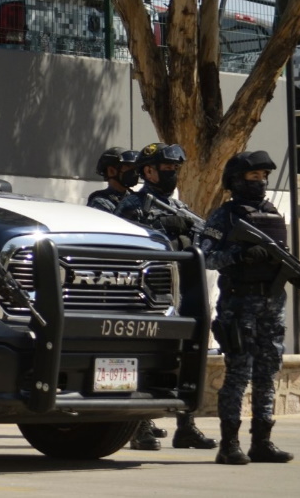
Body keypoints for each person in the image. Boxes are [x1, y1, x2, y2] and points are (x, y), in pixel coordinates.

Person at [115, 142, 218, 451]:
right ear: (148, 171)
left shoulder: (181, 208)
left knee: (185, 360)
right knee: (144, 359)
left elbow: (207, 250)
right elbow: (125, 245)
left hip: (182, 294)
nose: (173, 174)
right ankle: (140, 426)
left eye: (176, 169)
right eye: (167, 169)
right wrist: (157, 227)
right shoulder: (132, 205)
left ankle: (186, 426)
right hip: (149, 296)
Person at [200, 150, 294, 465]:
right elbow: (206, 255)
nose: (261, 182)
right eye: (254, 176)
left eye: (264, 177)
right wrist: (239, 256)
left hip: (272, 303)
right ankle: (229, 445)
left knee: (267, 372)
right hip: (239, 305)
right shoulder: (224, 216)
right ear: (237, 180)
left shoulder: (272, 213)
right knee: (239, 372)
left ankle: (262, 442)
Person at [86, 147, 139, 214]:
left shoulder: (137, 198)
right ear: (111, 171)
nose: (134, 172)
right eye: (129, 166)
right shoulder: (100, 202)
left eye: (135, 168)